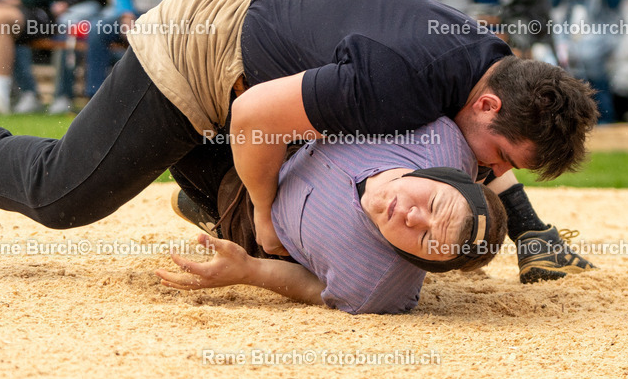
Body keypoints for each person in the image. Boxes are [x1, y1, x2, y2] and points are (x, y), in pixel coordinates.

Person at [0, 0, 599, 287]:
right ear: (492, 108)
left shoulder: (492, 70)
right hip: (204, 45)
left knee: (260, 211)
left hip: (272, 38)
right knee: (67, 194)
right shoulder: (403, 80)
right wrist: (269, 216)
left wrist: (529, 230)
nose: (484, 165)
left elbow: (481, 157)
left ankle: (204, 191)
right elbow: (253, 115)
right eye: (498, 156)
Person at [158, 117, 508, 313]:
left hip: (247, 212)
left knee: (167, 133)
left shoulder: (375, 289)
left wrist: (250, 270)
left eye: (427, 240)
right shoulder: (436, 136)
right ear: (437, 175)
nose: (414, 218)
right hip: (284, 133)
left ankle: (209, 213)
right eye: (432, 204)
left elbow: (317, 289)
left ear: (420, 263)